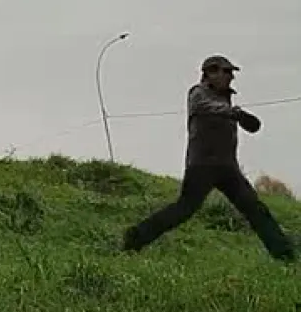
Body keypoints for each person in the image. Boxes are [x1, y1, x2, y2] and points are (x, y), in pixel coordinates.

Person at [122, 54, 295, 261]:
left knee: (255, 208)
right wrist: (231, 112)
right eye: (227, 72)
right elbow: (203, 107)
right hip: (202, 166)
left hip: (228, 167)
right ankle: (135, 238)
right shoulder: (198, 93)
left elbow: (253, 126)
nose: (231, 77)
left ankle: (285, 255)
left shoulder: (226, 99)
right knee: (184, 209)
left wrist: (241, 116)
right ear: (211, 73)